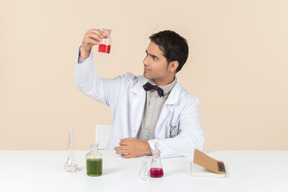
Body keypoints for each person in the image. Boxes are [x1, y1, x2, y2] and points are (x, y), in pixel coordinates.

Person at [75, 29, 204, 158]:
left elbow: (195, 141)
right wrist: (85, 50)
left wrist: (147, 148)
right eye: (147, 54)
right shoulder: (125, 85)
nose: (145, 61)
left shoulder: (187, 102)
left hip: (159, 172)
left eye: (154, 58)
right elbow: (87, 85)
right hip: (119, 168)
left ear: (172, 66)